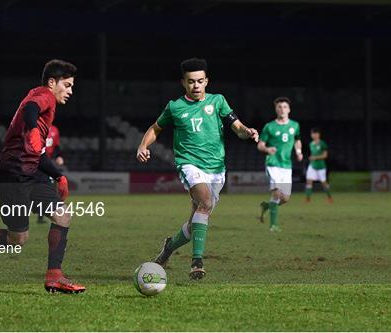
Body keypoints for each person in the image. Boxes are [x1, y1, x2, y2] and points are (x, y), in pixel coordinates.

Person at [0, 59, 85, 294]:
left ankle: (54, 276)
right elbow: (31, 108)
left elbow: (36, 152)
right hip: (13, 176)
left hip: (31, 172)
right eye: (67, 85)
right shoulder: (44, 95)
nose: (71, 91)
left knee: (62, 216)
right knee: (17, 239)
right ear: (52, 82)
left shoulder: (43, 103)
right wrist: (31, 129)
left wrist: (58, 176)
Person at [136, 58, 259, 280]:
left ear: (206, 81)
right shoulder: (175, 107)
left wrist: (247, 132)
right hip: (189, 163)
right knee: (206, 203)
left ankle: (169, 247)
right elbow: (156, 128)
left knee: (196, 222)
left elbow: (237, 127)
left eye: (200, 81)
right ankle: (197, 262)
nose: (196, 86)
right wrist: (143, 145)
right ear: (183, 82)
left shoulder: (218, 101)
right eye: (191, 81)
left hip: (216, 168)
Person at [257, 97, 303, 232]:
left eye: (284, 107)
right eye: (279, 107)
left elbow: (297, 140)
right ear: (275, 109)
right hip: (273, 163)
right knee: (277, 194)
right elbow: (260, 145)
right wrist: (267, 149)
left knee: (285, 198)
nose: (282, 109)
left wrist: (299, 152)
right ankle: (273, 226)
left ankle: (267, 205)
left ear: (289, 109)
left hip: (286, 165)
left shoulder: (295, 125)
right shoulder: (269, 126)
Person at [37, 124, 65, 224]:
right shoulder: (35, 128)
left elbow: (57, 147)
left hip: (48, 163)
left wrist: (59, 156)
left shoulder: (54, 129)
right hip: (35, 162)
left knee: (50, 187)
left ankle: (43, 215)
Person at [305, 127, 333, 203]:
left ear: (318, 134)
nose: (314, 135)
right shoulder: (311, 144)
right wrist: (312, 158)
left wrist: (315, 157)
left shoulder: (322, 143)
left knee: (323, 182)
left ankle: (329, 197)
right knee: (309, 181)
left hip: (321, 166)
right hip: (312, 166)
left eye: (315, 133)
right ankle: (308, 198)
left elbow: (325, 155)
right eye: (312, 134)